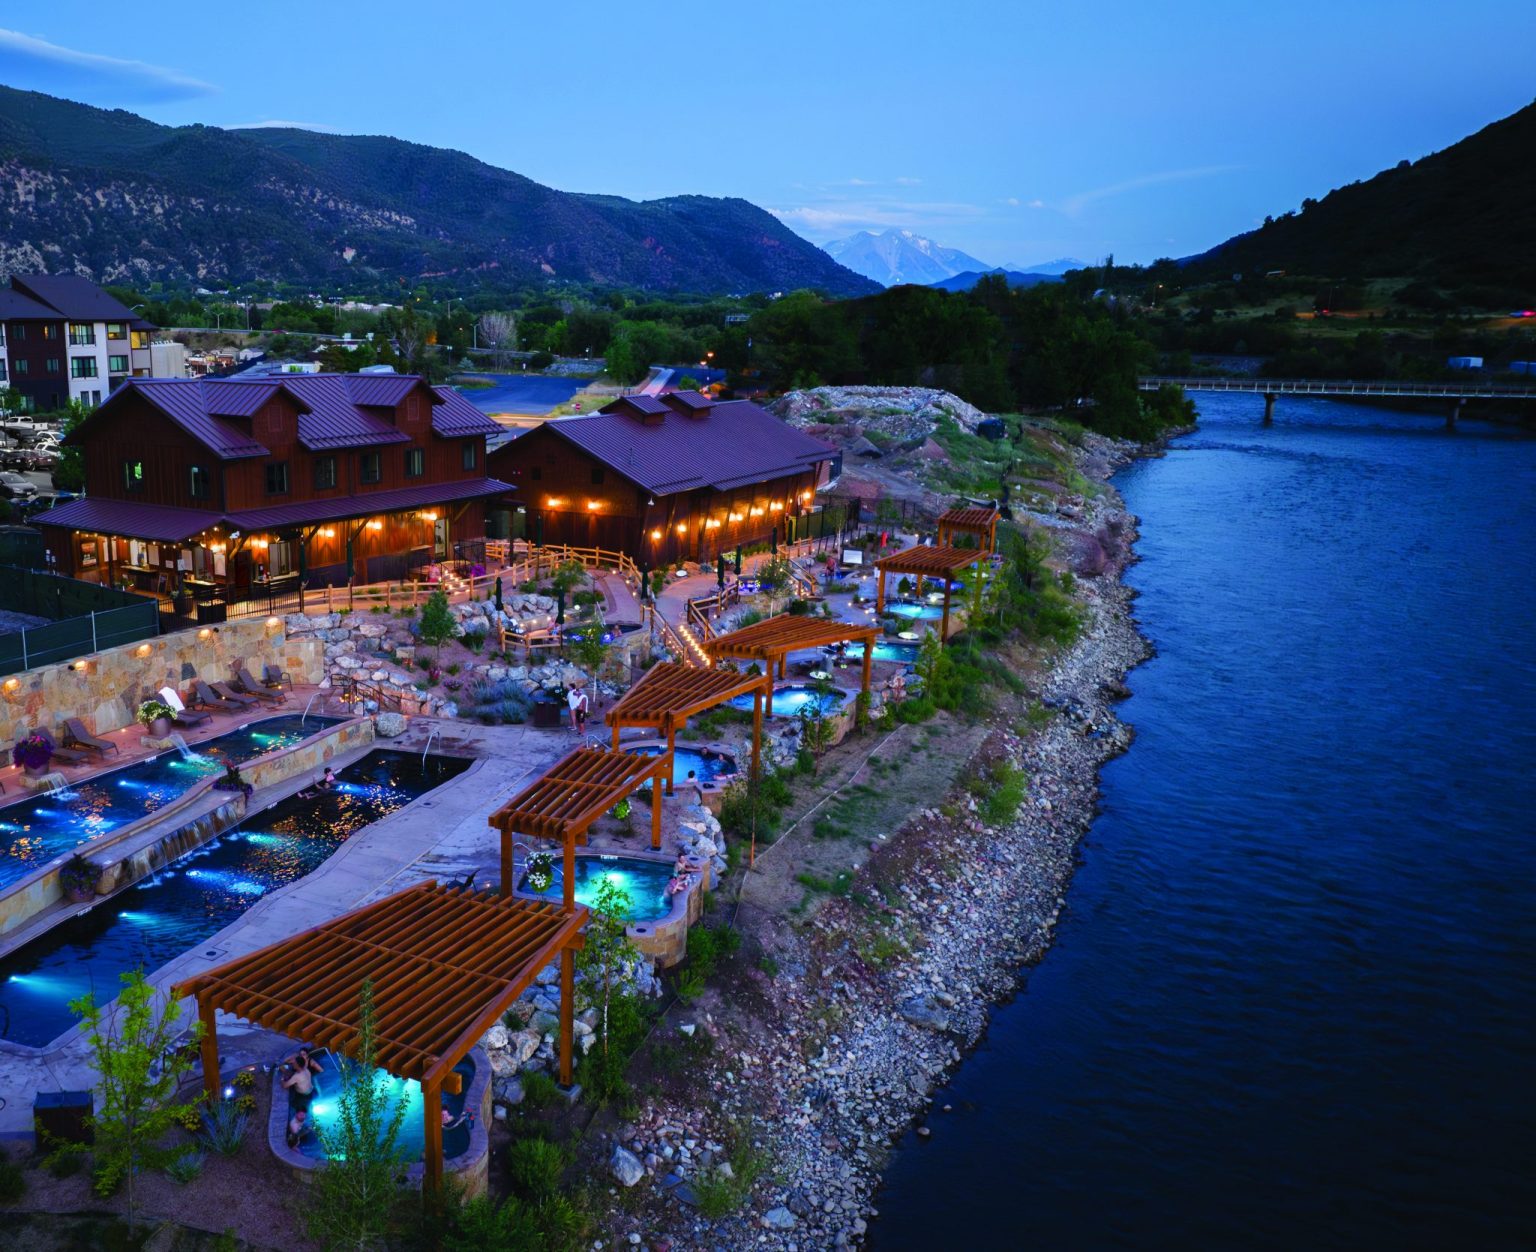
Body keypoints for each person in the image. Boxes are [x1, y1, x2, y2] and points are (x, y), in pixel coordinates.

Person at [282, 1047, 322, 1112]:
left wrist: (282, 1079)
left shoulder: (297, 1076)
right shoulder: (306, 1069)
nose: (293, 1064)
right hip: (311, 1091)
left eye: (294, 1063)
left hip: (303, 1096)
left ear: (297, 1065)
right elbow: (294, 1072)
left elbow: (284, 1086)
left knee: (295, 1107)